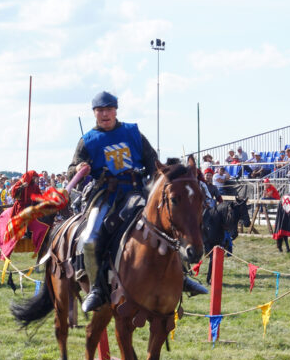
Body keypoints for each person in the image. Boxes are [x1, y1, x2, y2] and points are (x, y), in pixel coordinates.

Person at [66, 91, 205, 312]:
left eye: (109, 109)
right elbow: (71, 169)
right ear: (94, 113)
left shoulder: (132, 133)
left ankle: (182, 276)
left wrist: (154, 186)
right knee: (91, 238)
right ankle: (97, 288)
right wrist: (79, 168)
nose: (105, 114)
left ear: (115, 111)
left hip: (135, 191)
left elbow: (151, 161)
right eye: (100, 110)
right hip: (105, 195)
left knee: (166, 226)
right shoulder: (87, 141)